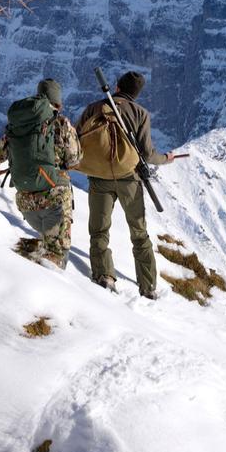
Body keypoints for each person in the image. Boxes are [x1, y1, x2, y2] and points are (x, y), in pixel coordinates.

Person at [76, 71, 174, 298]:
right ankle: (148, 287)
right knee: (139, 232)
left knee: (99, 230)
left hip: (99, 177)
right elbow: (148, 154)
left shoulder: (94, 108)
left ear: (117, 86)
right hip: (129, 179)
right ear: (136, 94)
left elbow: (78, 137)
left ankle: (104, 276)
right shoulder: (141, 113)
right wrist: (165, 159)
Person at [0, 78, 82, 270]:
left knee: (45, 245)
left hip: (25, 203)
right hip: (54, 201)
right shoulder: (61, 123)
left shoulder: (20, 123)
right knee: (57, 256)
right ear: (58, 102)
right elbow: (74, 159)